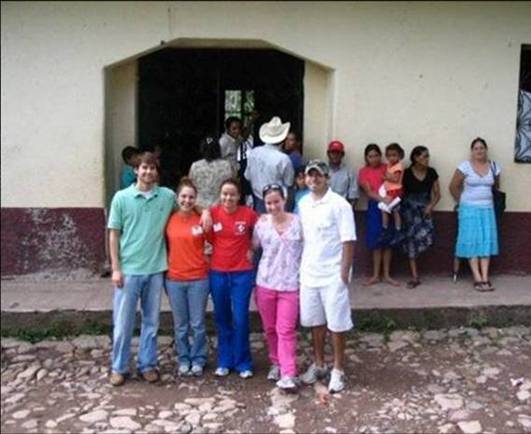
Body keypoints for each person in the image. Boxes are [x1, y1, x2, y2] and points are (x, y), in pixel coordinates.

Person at [107, 152, 177, 387]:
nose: (148, 172)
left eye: (153, 168)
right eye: (144, 168)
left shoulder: (166, 197)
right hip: (129, 271)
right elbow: (114, 235)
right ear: (136, 170)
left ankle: (147, 364)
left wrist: (204, 211)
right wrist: (115, 268)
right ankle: (119, 366)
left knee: (151, 322)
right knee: (123, 323)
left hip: (156, 269)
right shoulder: (121, 198)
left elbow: (186, 208)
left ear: (157, 172)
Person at [298, 160, 356, 393]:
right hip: (310, 272)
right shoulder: (302, 203)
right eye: (310, 176)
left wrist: (344, 272)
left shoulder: (340, 205)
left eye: (318, 175)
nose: (314, 179)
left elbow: (348, 240)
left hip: (333, 273)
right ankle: (319, 363)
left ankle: (338, 370)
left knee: (337, 323)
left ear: (326, 178)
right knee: (315, 321)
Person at [252, 183, 303, 390]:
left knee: (286, 329)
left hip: (290, 283)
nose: (273, 206)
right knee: (270, 328)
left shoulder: (298, 222)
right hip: (265, 282)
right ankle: (276, 362)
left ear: (284, 200)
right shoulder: (261, 224)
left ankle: (289, 372)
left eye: (276, 201)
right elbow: (252, 247)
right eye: (268, 203)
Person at [209, 179, 258, 378]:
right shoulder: (212, 213)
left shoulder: (247, 214)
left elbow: (265, 226)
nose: (228, 198)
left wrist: (253, 248)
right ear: (220, 195)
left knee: (240, 318)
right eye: (224, 194)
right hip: (218, 273)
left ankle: (243, 361)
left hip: (242, 274)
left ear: (239, 197)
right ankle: (224, 360)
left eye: (232, 194)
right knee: (222, 318)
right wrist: (203, 211)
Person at [165, 178, 211, 378]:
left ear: (196, 199)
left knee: (198, 323)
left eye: (191, 197)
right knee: (180, 324)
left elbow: (214, 242)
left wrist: (206, 211)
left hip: (199, 278)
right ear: (177, 198)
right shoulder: (168, 218)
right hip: (174, 278)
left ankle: (199, 358)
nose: (187, 200)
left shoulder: (202, 219)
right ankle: (184, 357)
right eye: (183, 196)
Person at [449, 137, 501, 292]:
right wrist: (462, 202)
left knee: (485, 242)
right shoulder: (465, 166)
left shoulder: (494, 166)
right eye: (476, 148)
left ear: (486, 150)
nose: (479, 151)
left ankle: (485, 278)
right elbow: (453, 186)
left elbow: (496, 186)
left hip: (487, 210)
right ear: (472, 151)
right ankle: (477, 278)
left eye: (482, 148)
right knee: (472, 242)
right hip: (469, 209)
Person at [358, 144, 400, 286]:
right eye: (370, 156)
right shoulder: (363, 171)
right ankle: (376, 275)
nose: (374, 159)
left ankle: (387, 275)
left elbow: (394, 183)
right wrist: (383, 200)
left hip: (390, 204)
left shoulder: (386, 167)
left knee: (388, 240)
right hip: (375, 207)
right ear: (366, 158)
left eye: (376, 155)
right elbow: (368, 192)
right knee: (376, 241)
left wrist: (389, 200)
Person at [401, 146, 441, 288]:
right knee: (411, 241)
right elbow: (399, 191)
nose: (427, 159)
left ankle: (416, 272)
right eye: (424, 156)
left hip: (425, 209)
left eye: (427, 156)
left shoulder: (431, 172)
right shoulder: (406, 173)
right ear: (416, 158)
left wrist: (431, 205)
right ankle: (415, 276)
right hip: (409, 211)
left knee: (427, 238)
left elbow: (437, 194)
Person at [244, 116, 294, 214]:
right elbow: (289, 183)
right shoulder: (283, 159)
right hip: (277, 202)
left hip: (257, 198)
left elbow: (247, 176)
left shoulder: (254, 153)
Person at [189, 136, 235, 208]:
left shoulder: (195, 166)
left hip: (199, 207)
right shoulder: (226, 166)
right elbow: (232, 184)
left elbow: (191, 185)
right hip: (220, 205)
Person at [378, 143, 405, 245]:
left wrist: (386, 178)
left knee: (388, 209)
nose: (391, 158)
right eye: (389, 155)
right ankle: (387, 229)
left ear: (400, 156)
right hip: (389, 191)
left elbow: (396, 179)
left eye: (394, 155)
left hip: (395, 191)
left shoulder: (398, 166)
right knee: (389, 210)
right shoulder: (390, 165)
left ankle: (396, 231)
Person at [327, 140, 359, 209]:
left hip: (342, 208)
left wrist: (348, 211)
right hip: (324, 208)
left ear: (342, 155)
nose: (335, 156)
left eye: (338, 153)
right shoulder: (322, 170)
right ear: (328, 154)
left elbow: (354, 196)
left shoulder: (349, 172)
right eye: (333, 153)